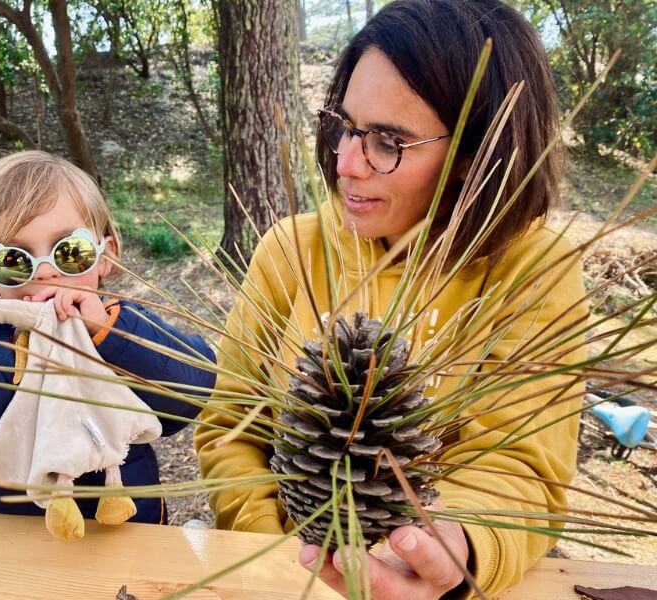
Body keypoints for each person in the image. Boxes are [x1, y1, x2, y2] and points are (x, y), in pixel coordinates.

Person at [195, 1, 587, 598]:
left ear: (474, 157)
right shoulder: (288, 251)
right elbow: (231, 427)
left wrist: (454, 550)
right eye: (345, 126)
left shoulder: (534, 271)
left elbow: (522, 471)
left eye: (388, 142)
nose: (345, 163)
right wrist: (279, 560)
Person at [0, 150, 216, 526]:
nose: (47, 272)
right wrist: (9, 356)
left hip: (113, 530)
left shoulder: (119, 324)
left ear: (107, 257)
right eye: (14, 260)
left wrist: (108, 334)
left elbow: (194, 386)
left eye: (70, 252)